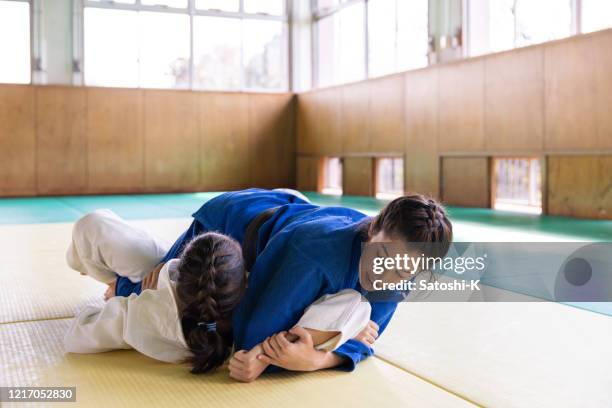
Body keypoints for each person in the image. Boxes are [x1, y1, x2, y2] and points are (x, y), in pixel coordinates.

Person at [108, 188, 453, 381]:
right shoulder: (316, 254)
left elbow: (369, 336)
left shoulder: (404, 267)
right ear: (372, 228)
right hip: (228, 225)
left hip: (289, 215)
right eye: (381, 260)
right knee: (163, 299)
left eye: (401, 273)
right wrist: (325, 342)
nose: (385, 278)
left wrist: (319, 359)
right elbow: (249, 338)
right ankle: (122, 280)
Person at [64, 209, 375, 374]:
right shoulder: (267, 309)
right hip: (168, 284)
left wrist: (118, 295)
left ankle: (109, 279)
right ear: (245, 281)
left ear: (181, 265)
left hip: (144, 288)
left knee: (93, 225)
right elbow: (353, 303)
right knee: (97, 230)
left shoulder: (146, 316)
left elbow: (79, 333)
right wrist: (342, 339)